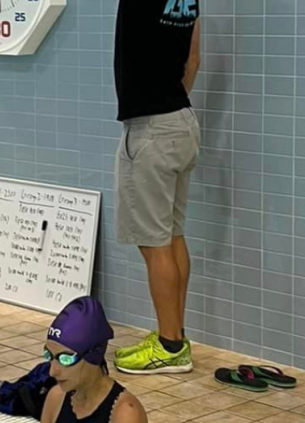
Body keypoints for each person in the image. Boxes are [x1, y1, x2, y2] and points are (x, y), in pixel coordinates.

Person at [112, 0, 202, 375]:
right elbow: (192, 59)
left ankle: (168, 346)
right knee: (173, 235)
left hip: (151, 128)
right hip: (182, 120)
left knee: (155, 244)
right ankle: (175, 337)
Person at [41, 297, 147, 423]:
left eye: (65, 359)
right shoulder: (55, 398)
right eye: (49, 356)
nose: (52, 371)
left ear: (93, 356)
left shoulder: (125, 413)